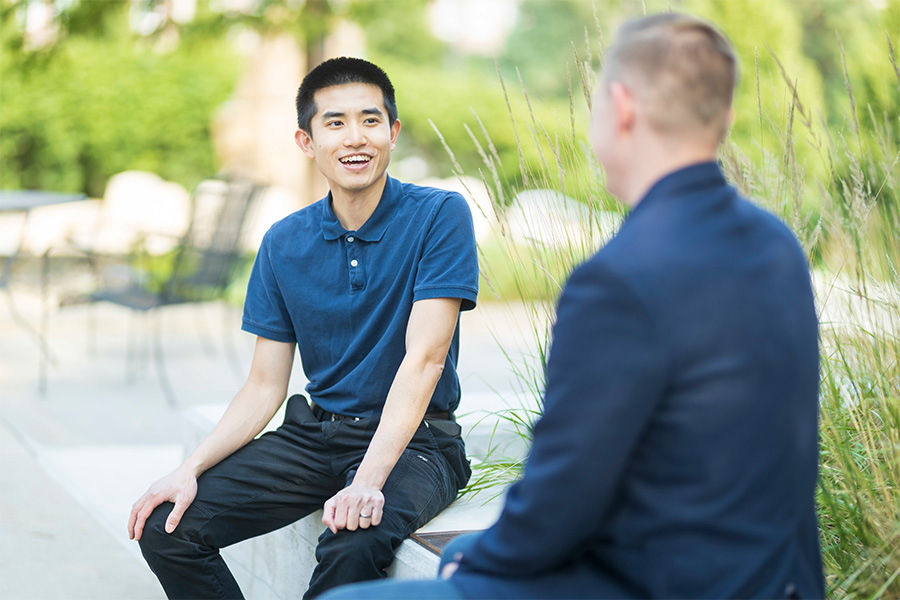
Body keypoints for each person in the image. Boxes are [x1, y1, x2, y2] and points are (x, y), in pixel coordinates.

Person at [323, 13, 824, 600]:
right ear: (724, 114)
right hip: (773, 578)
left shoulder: (617, 281)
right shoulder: (775, 244)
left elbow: (566, 489)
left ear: (622, 108)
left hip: (659, 581)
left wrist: (485, 564)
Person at [127, 57, 478, 599]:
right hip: (318, 435)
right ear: (307, 141)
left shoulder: (439, 215)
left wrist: (366, 482)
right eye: (334, 123)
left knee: (353, 540)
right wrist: (188, 468)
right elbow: (265, 384)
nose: (355, 137)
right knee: (168, 527)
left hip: (418, 443)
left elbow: (426, 359)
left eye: (370, 119)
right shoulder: (284, 242)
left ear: (392, 132)